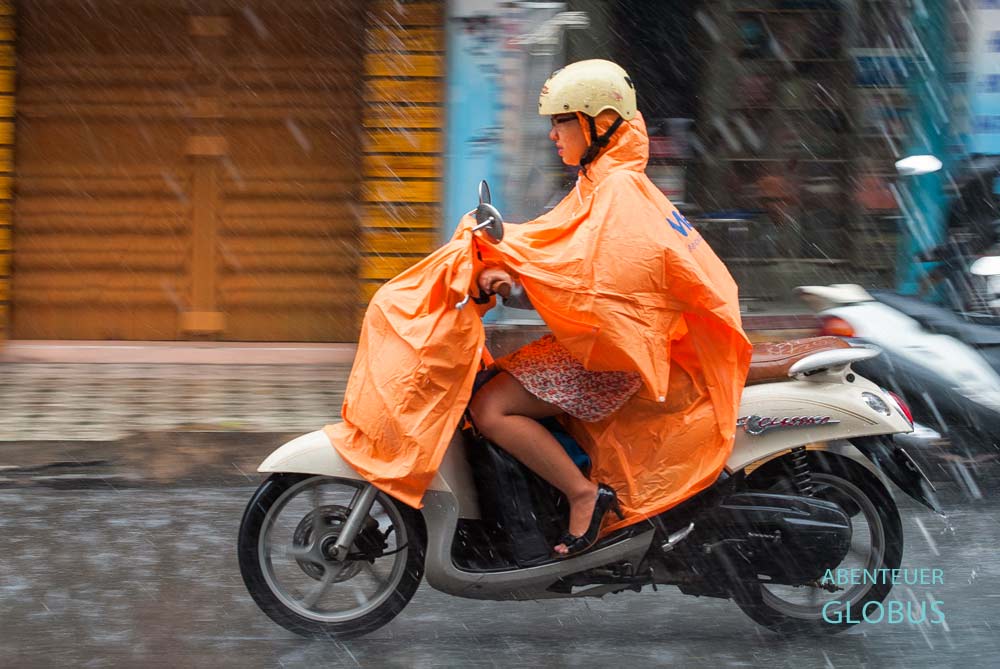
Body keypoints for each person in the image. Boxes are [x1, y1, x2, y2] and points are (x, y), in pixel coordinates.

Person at [469, 60, 649, 558]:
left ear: (603, 120)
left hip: (609, 354)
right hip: (595, 343)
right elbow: (556, 246)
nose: (552, 133)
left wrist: (517, 284)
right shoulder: (601, 182)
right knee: (487, 386)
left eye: (562, 120)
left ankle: (583, 494)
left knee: (490, 407)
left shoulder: (617, 191)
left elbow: (591, 279)